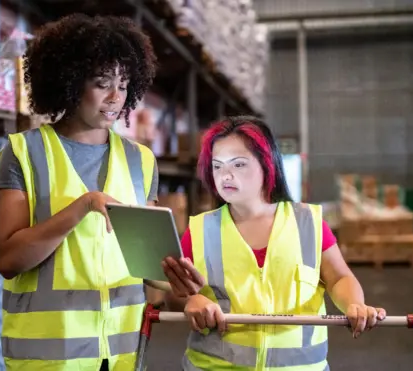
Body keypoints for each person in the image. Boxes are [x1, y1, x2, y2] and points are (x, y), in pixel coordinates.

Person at [0, 14, 161, 371]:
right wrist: (83, 205)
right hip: (49, 358)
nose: (116, 97)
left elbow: (150, 270)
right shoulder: (24, 152)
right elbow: (8, 261)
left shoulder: (141, 161)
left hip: (122, 354)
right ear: (69, 82)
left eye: (125, 84)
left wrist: (180, 277)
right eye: (102, 83)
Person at [162, 116, 386, 370]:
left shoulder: (307, 223)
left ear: (267, 165)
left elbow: (338, 277)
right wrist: (191, 301)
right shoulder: (200, 230)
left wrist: (354, 304)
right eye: (217, 166)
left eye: (238, 164)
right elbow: (174, 296)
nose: (225, 175)